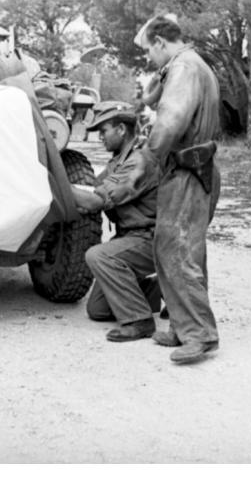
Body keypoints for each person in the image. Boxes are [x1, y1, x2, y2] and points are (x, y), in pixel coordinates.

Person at [138, 16, 222, 364]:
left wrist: (146, 160)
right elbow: (155, 100)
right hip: (196, 168)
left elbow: (171, 119)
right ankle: (182, 325)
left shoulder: (185, 68)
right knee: (180, 248)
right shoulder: (188, 64)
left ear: (160, 42)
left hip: (186, 169)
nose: (149, 58)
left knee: (177, 249)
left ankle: (200, 334)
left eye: (148, 51)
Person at [71, 102, 161, 342]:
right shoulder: (117, 162)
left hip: (149, 239)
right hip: (130, 240)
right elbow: (90, 189)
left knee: (98, 255)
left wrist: (53, 183)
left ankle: (139, 320)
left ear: (121, 129)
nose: (101, 137)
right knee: (98, 310)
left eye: (104, 131)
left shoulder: (139, 161)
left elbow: (95, 201)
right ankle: (154, 291)